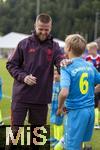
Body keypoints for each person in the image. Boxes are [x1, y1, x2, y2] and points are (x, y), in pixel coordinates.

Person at [6, 13, 70, 149]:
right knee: (14, 132)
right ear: (35, 26)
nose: (43, 32)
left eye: (46, 29)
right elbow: (11, 65)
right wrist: (24, 77)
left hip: (41, 98)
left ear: (51, 27)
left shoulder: (54, 46)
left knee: (37, 136)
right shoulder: (24, 44)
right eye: (40, 28)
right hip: (21, 96)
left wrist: (62, 62)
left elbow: (59, 61)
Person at [57, 34, 100, 150]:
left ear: (69, 47)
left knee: (71, 146)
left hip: (76, 112)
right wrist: (94, 90)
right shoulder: (89, 65)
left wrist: (60, 107)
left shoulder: (66, 67)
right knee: (79, 143)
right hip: (90, 111)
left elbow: (64, 92)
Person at [86, 42, 100, 128]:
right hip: (91, 82)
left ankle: (97, 121)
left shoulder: (99, 58)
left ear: (94, 49)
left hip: (99, 81)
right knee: (94, 101)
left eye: (89, 49)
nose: (88, 51)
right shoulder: (87, 58)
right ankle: (95, 122)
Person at [50, 67, 64, 147]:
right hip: (53, 105)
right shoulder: (53, 83)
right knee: (54, 121)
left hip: (59, 106)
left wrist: (61, 107)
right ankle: (55, 137)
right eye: (54, 74)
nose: (56, 76)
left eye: (58, 74)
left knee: (59, 122)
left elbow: (64, 96)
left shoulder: (62, 84)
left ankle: (59, 139)